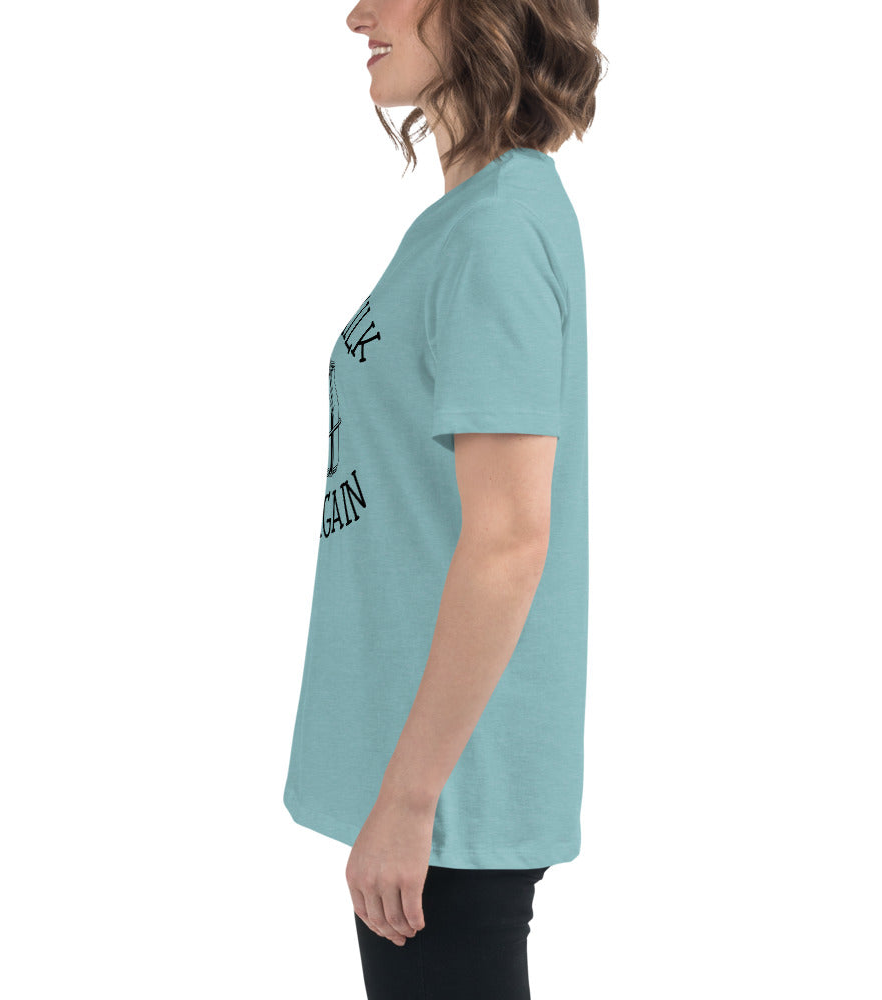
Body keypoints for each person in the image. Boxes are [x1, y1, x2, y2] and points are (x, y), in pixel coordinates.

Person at [282, 1, 604, 996]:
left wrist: (413, 798)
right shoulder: (475, 219)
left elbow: (510, 540)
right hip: (431, 775)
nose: (356, 15)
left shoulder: (496, 232)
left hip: (453, 792)